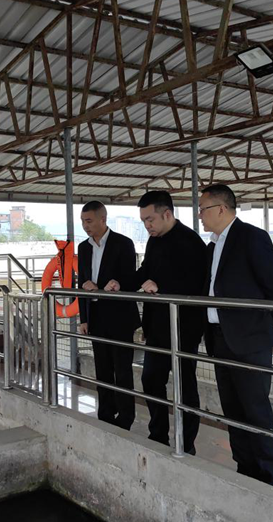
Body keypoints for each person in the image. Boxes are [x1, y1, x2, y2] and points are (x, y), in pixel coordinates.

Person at [199, 184, 273, 487]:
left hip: (249, 339)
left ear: (221, 209)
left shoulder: (251, 237)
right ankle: (245, 470)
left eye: (203, 209)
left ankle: (267, 477)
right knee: (233, 409)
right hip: (220, 337)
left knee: (255, 408)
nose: (200, 216)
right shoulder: (213, 246)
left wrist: (260, 321)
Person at [106, 191, 207, 453]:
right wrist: (121, 283)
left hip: (184, 328)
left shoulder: (191, 242)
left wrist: (161, 287)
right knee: (151, 379)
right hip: (157, 326)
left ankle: (186, 443)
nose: (147, 225)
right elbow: (145, 273)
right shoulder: (154, 241)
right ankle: (158, 434)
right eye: (143, 221)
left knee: (185, 386)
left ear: (167, 214)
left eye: (150, 219)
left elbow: (197, 285)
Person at [78, 201, 141, 430]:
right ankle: (105, 413)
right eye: (83, 222)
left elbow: (129, 278)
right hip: (96, 316)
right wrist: (84, 318)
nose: (85, 226)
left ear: (102, 219)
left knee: (122, 370)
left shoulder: (123, 243)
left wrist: (104, 287)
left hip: (119, 316)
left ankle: (125, 417)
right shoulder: (83, 248)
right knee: (102, 368)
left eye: (89, 221)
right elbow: (81, 282)